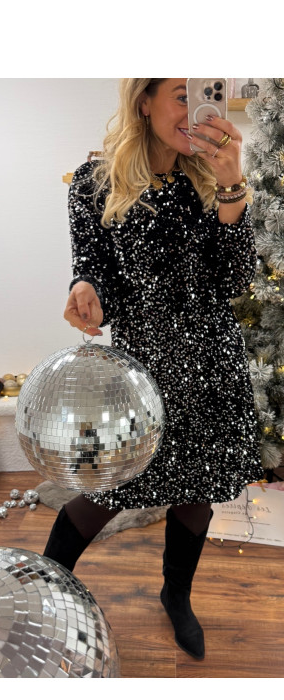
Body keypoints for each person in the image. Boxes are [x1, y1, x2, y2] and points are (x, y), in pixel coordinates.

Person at [44, 78, 263, 660]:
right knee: (106, 488)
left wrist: (231, 186)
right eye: (181, 95)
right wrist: (86, 290)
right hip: (142, 375)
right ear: (144, 101)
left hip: (213, 364)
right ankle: (47, 589)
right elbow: (92, 268)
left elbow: (233, 280)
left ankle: (177, 596)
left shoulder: (213, 178)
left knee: (199, 489)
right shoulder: (96, 180)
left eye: (205, 94)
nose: (196, 112)